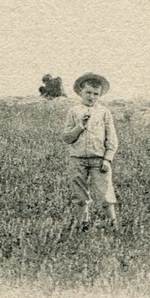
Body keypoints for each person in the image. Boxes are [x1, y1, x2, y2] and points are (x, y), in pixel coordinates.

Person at [60, 72, 119, 228]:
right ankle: (82, 225)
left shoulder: (104, 112)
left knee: (105, 194)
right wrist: (80, 126)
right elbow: (67, 138)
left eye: (95, 94)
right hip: (77, 159)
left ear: (100, 95)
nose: (91, 97)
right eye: (88, 92)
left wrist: (107, 158)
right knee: (79, 195)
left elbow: (112, 138)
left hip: (98, 160)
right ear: (80, 92)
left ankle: (112, 226)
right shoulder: (73, 111)